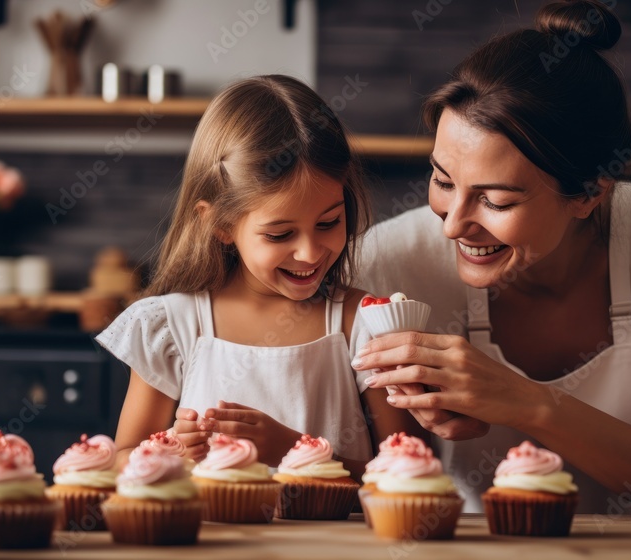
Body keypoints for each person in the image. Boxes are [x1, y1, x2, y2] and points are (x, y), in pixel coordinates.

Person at [350, 0, 631, 516]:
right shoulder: (388, 261)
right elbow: (357, 476)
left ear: (589, 194)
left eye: (497, 200)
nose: (453, 223)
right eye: (442, 180)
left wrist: (528, 403)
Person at [96, 75, 423, 478]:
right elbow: (118, 462)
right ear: (220, 224)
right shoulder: (173, 326)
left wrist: (295, 449)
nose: (309, 252)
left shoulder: (365, 323)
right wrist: (168, 450)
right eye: (280, 234)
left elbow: (407, 471)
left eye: (329, 222)